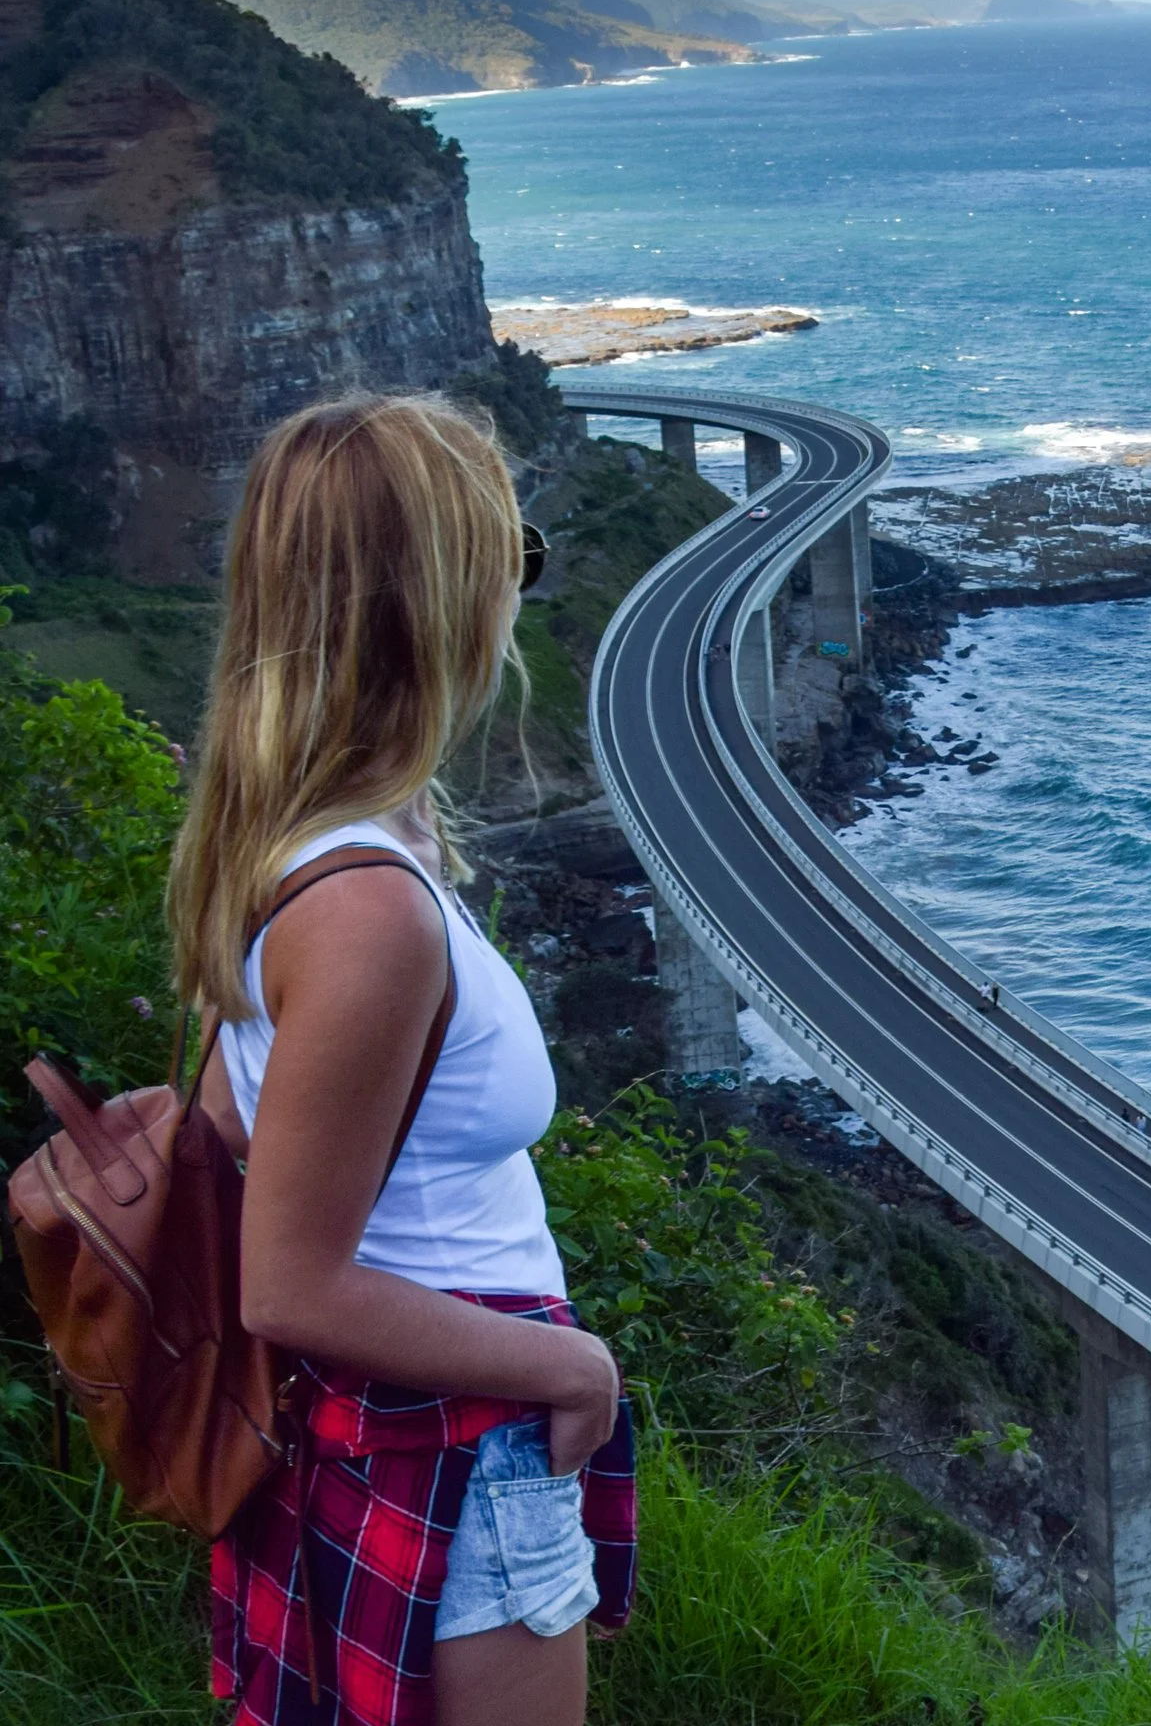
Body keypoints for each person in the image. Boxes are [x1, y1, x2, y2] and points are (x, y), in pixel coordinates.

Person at [165, 394, 633, 1726]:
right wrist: (573, 1369)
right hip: (454, 1441)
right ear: (439, 604)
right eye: (504, 561)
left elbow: (239, 1124)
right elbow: (289, 1280)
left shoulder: (282, 842)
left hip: (353, 1439)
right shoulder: (370, 908)